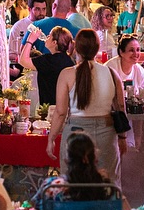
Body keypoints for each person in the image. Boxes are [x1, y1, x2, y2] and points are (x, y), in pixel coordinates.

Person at [49, 29, 122, 180]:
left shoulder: (66, 74)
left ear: (75, 47)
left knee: (72, 181)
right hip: (106, 132)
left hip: (75, 132)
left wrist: (51, 138)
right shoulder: (112, 73)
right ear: (98, 48)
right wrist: (122, 137)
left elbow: (61, 112)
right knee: (108, 183)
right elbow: (121, 108)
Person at [19, 24, 75, 107]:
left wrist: (29, 41)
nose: (47, 36)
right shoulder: (69, 60)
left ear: (54, 42)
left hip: (50, 108)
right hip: (67, 106)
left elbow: (23, 60)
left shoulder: (49, 61)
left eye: (49, 35)